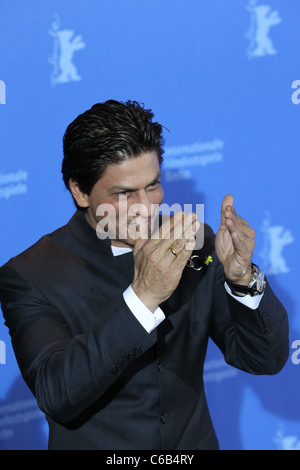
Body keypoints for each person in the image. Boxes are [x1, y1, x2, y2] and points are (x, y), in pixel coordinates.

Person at [0, 100, 289, 450]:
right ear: (79, 191)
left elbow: (264, 360)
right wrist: (143, 298)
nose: (146, 207)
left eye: (152, 186)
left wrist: (243, 280)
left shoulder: (195, 243)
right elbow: (57, 393)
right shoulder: (30, 274)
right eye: (124, 193)